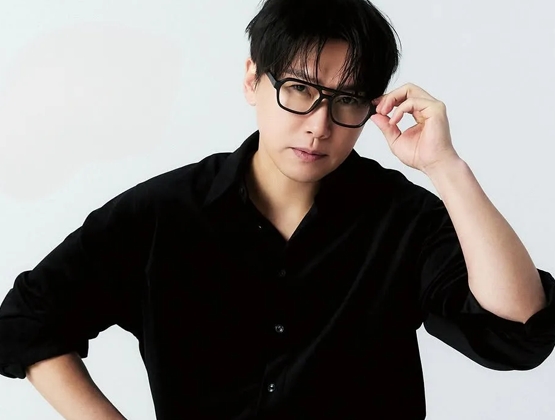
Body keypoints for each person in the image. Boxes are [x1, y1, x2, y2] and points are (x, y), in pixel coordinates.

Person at [1, 0, 554, 418]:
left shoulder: (402, 218)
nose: (319, 125)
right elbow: (27, 321)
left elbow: (520, 332)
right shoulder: (163, 214)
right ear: (252, 80)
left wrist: (445, 166)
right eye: (299, 89)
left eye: (347, 100)